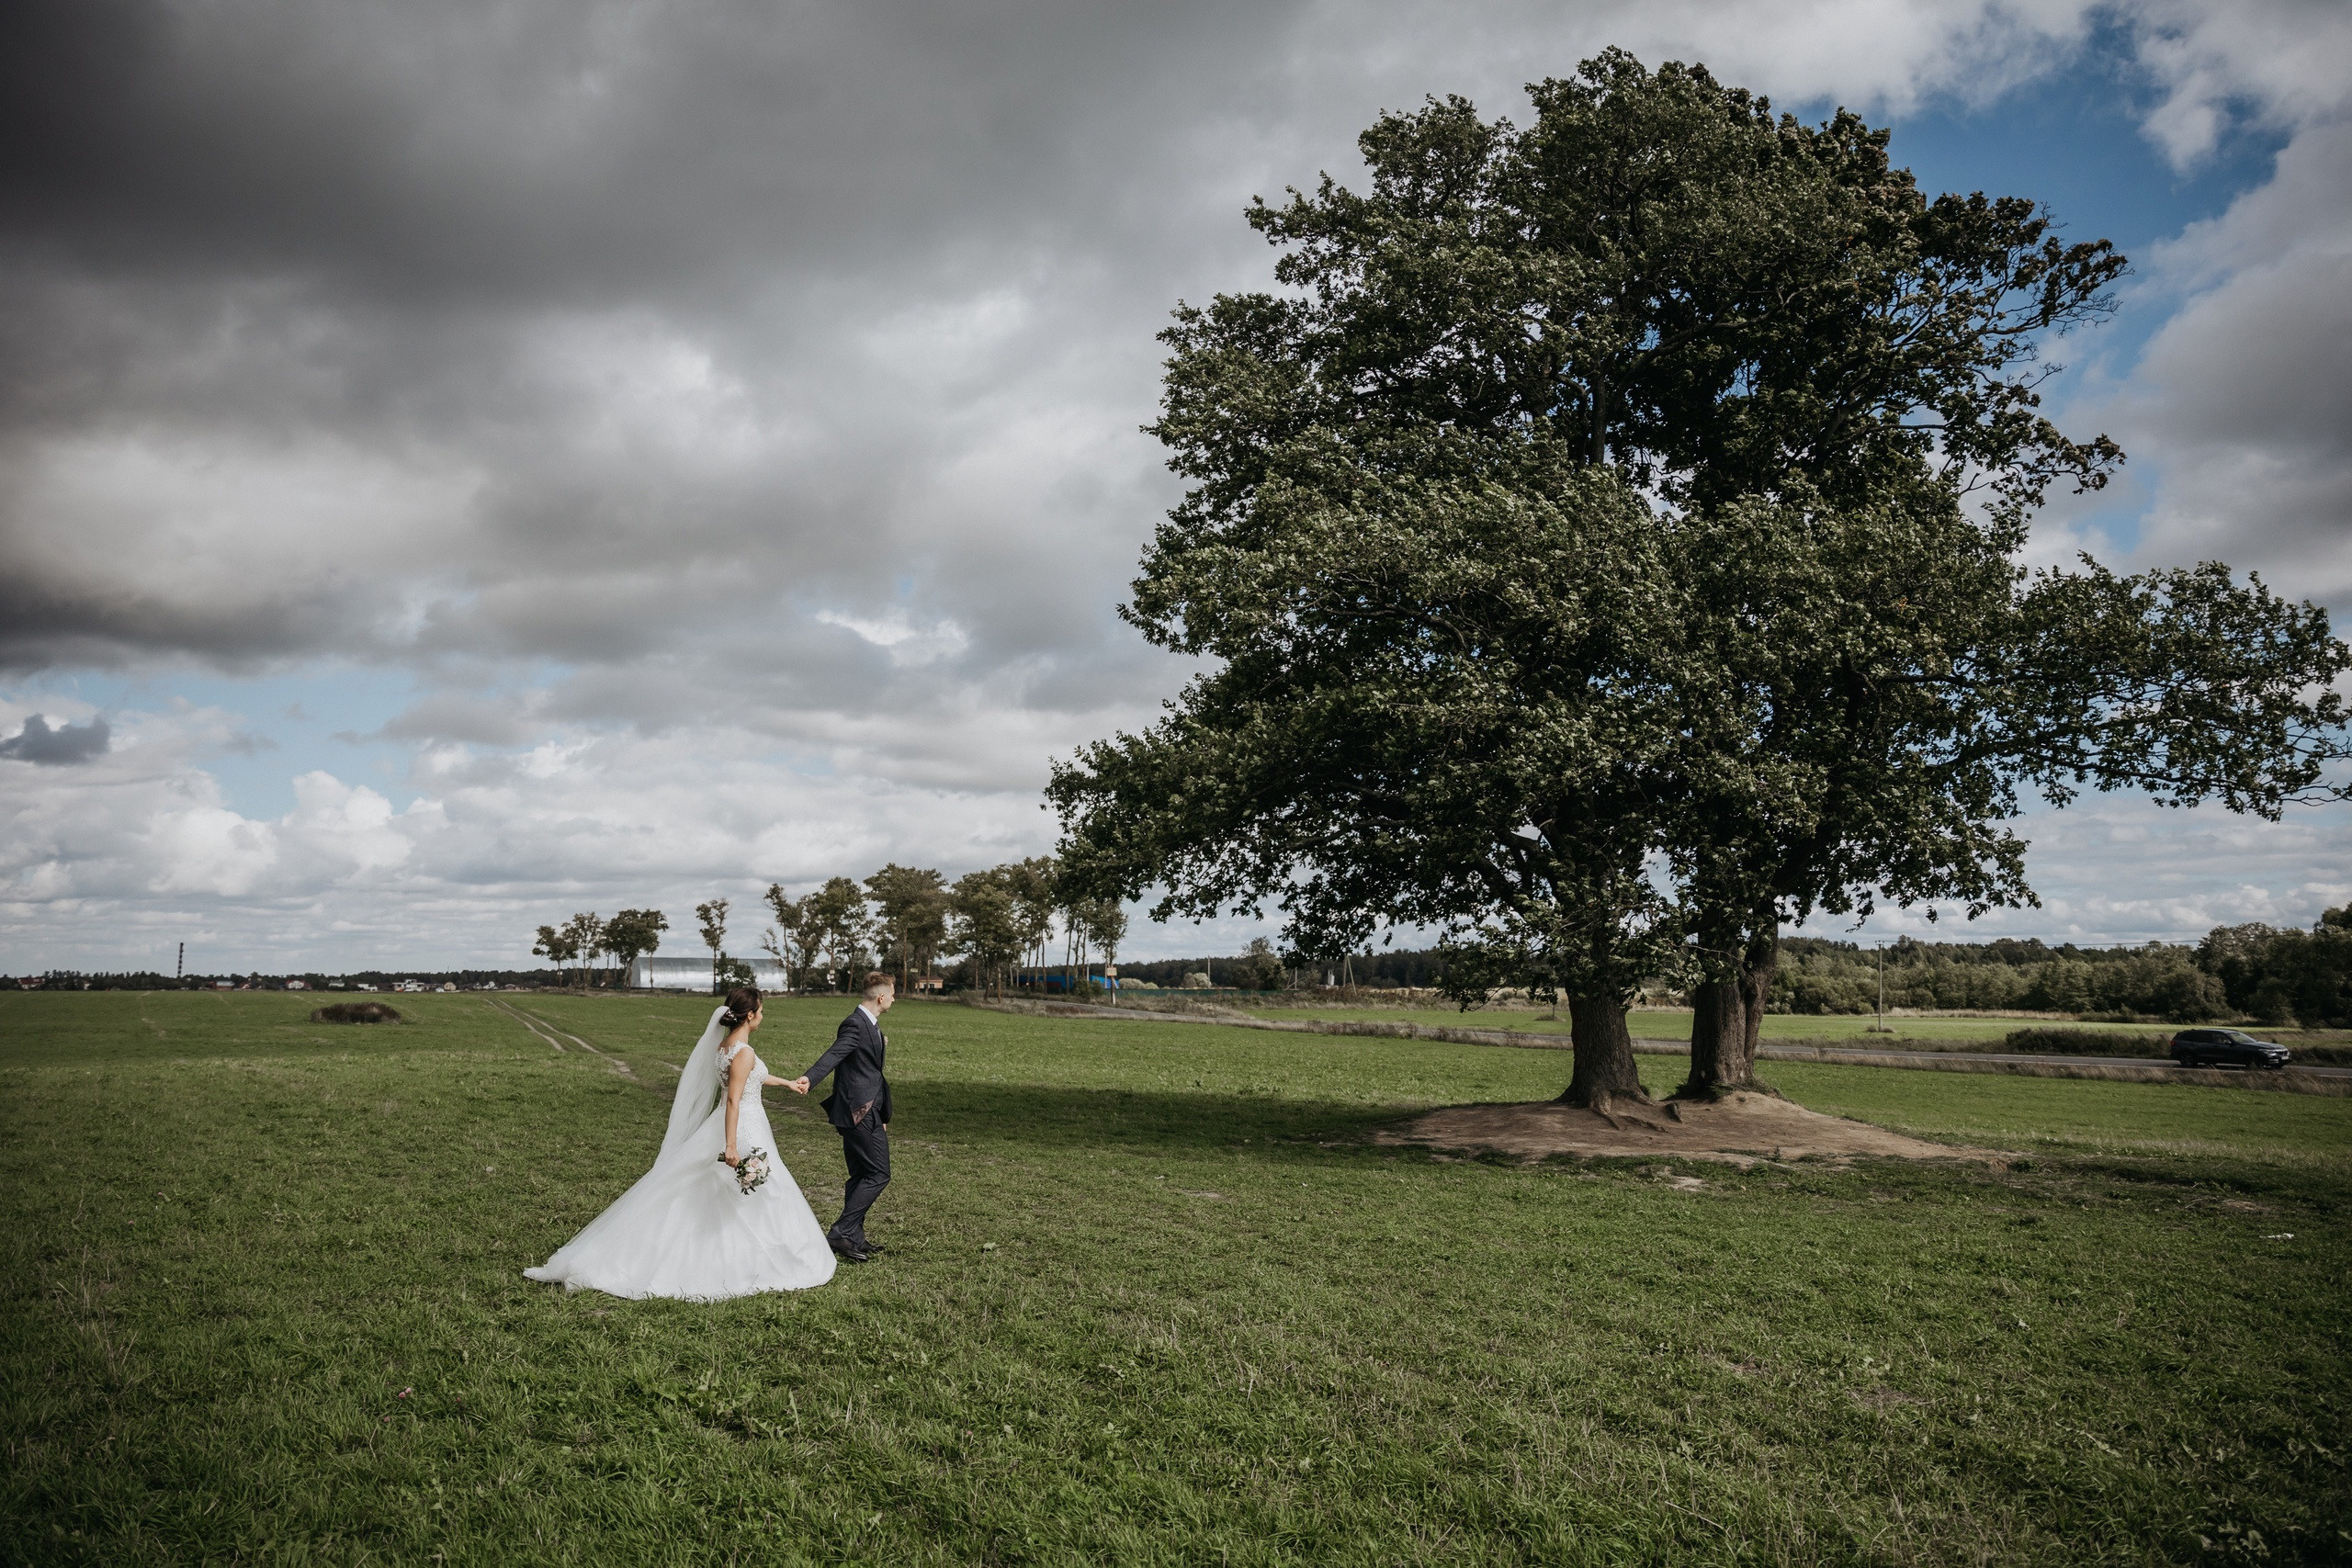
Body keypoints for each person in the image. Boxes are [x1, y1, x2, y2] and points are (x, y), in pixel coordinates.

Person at [523, 986, 835, 1299]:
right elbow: (733, 1101)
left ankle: (759, 1250)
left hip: (739, 1124)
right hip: (743, 1128)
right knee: (760, 1186)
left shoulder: (727, 1047)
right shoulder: (744, 1052)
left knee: (737, 1188)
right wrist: (730, 1145)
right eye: (762, 1011)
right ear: (750, 1014)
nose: (763, 1016)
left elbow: (751, 1077)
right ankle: (762, 1258)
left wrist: (786, 1083)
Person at [786, 971, 894, 1263]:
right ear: (882, 997)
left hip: (867, 1109)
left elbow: (872, 1073)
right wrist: (809, 1078)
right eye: (893, 995)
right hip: (859, 1111)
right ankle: (841, 1232)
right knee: (879, 1174)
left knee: (860, 1174)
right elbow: (834, 1055)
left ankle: (854, 1237)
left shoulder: (870, 1025)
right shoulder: (855, 1024)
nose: (894, 1000)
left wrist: (882, 1110)